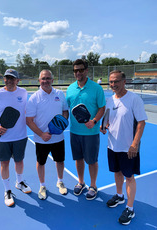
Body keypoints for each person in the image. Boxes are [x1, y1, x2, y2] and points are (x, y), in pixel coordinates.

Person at [100, 70, 147, 225]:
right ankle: (120, 196)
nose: (113, 84)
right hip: (112, 146)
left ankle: (130, 208)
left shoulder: (134, 99)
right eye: (111, 82)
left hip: (129, 148)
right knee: (117, 172)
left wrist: (134, 144)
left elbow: (141, 123)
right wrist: (104, 126)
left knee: (129, 177)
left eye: (116, 81)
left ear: (124, 81)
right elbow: (108, 120)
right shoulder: (110, 100)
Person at [0, 69, 31, 207]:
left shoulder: (23, 92)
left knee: (19, 161)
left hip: (20, 136)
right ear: (4, 79)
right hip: (2, 138)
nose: (9, 80)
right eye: (7, 78)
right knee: (4, 163)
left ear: (17, 80)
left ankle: (19, 182)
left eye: (12, 78)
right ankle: (7, 190)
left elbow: (26, 111)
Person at [66, 59, 106, 200]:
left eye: (81, 70)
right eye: (75, 70)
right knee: (78, 159)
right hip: (74, 132)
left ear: (86, 71)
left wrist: (94, 121)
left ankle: (93, 186)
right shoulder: (70, 88)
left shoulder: (96, 88)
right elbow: (68, 108)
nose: (78, 72)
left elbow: (102, 107)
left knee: (91, 161)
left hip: (91, 132)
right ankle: (81, 182)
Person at [26, 69, 69, 200]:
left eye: (48, 78)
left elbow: (65, 111)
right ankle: (42, 185)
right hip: (41, 139)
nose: (45, 81)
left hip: (58, 138)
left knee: (60, 161)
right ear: (39, 81)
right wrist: (41, 134)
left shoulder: (60, 94)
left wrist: (62, 123)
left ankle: (60, 181)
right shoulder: (34, 98)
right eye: (43, 79)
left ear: (52, 80)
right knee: (41, 162)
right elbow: (29, 120)